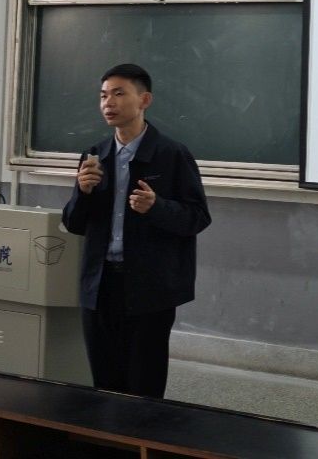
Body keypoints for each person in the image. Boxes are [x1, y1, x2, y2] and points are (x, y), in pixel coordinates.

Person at [62, 63, 210, 397]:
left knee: (144, 385)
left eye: (118, 93)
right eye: (103, 95)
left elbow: (198, 217)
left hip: (149, 288)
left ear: (144, 100)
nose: (108, 103)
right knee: (104, 383)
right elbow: (74, 223)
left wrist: (156, 207)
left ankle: (143, 431)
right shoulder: (95, 154)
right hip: (100, 285)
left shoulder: (172, 154)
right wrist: (83, 193)